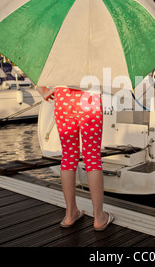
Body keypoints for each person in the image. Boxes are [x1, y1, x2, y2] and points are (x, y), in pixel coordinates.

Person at [36, 85, 114, 231]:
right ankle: (99, 217)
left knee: (68, 156)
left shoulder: (58, 60)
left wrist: (43, 90)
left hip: (62, 97)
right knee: (92, 157)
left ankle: (70, 213)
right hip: (89, 97)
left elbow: (39, 69)